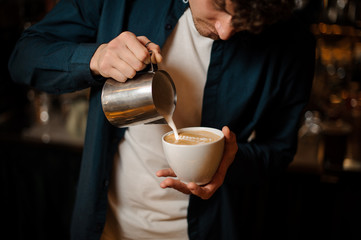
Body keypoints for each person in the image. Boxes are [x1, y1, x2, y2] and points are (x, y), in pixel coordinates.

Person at [8, 0, 315, 239]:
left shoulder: (292, 40)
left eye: (247, 21)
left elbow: (278, 150)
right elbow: (23, 57)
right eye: (220, 8)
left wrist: (232, 161)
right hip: (106, 228)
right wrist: (96, 58)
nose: (225, 31)